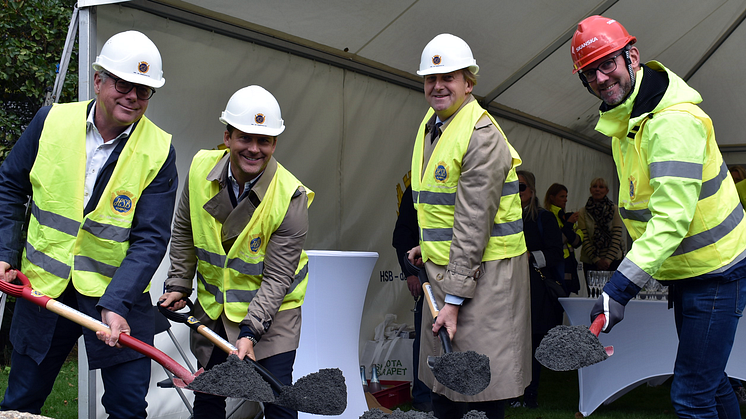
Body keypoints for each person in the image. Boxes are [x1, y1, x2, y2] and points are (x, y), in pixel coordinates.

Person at [571, 15, 746, 417]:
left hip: (717, 271)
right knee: (711, 382)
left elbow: (669, 221)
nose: (600, 78)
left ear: (632, 57)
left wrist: (618, 289)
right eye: (588, 73)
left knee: (690, 394)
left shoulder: (671, 123)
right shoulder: (627, 121)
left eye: (607, 64)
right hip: (689, 272)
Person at [0, 31, 177, 418]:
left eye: (144, 90)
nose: (133, 96)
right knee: (21, 399)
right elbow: (10, 185)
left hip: (118, 298)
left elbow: (151, 239)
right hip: (44, 289)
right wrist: (4, 252)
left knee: (128, 408)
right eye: (123, 84)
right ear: (98, 81)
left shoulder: (159, 150)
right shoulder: (51, 121)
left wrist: (116, 305)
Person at [159, 85, 313, 419]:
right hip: (214, 310)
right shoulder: (200, 168)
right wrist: (178, 284)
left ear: (275, 143)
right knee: (210, 395)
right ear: (227, 136)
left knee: (278, 402)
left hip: (272, 318)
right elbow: (184, 229)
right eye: (245, 138)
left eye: (265, 141)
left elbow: (277, 278)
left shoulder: (291, 196)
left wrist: (249, 332)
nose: (254, 149)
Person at [406, 33, 531, 419]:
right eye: (431, 79)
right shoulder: (435, 123)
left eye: (449, 78)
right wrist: (426, 248)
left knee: (482, 389)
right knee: (446, 386)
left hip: (487, 279)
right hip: (452, 270)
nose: (438, 86)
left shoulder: (482, 135)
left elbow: (473, 222)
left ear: (469, 84)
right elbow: (441, 209)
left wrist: (455, 300)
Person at [512, 170, 564, 409]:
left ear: (532, 191)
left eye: (521, 187)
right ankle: (512, 393)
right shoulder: (503, 218)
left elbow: (555, 253)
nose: (517, 191)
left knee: (532, 341)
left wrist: (531, 256)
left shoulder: (543, 218)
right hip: (509, 288)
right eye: (512, 186)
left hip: (535, 288)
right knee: (511, 342)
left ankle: (530, 395)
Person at [391, 183, 432, 412]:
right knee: (427, 335)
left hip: (458, 270)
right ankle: (424, 397)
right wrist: (410, 273)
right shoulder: (417, 185)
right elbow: (403, 233)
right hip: (427, 272)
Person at [576, 177, 624, 272]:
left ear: (607, 191)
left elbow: (617, 236)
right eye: (594, 186)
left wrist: (607, 260)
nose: (597, 189)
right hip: (591, 261)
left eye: (601, 187)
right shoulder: (583, 212)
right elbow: (584, 238)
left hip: (613, 260)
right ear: (590, 190)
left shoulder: (615, 210)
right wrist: (597, 260)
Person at [544, 183, 582, 294]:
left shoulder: (566, 216)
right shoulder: (549, 217)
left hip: (569, 263)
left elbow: (577, 241)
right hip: (557, 264)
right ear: (552, 197)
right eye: (562, 196)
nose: (565, 200)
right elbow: (557, 241)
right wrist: (569, 225)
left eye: (566, 196)